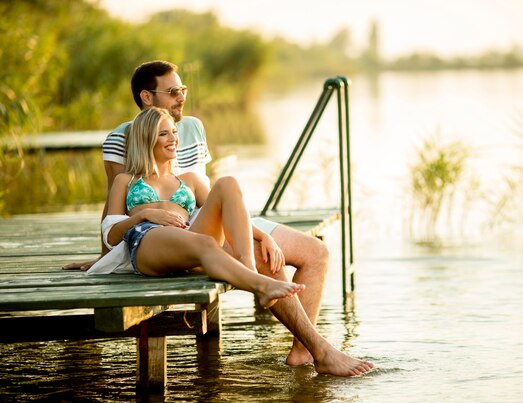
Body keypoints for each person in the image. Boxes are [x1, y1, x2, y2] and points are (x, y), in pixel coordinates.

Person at [62, 60, 332, 367]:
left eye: (183, 89)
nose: (181, 97)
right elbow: (115, 204)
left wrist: (256, 231)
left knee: (317, 252)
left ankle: (303, 350)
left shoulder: (192, 127)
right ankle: (315, 347)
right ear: (146, 97)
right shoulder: (124, 138)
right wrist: (107, 255)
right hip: (168, 235)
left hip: (217, 218)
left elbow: (211, 193)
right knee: (265, 260)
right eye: (173, 91)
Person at [94, 106, 373, 376]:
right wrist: (146, 215)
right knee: (206, 246)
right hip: (148, 241)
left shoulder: (188, 179)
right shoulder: (126, 180)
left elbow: (231, 208)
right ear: (146, 139)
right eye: (164, 134)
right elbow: (110, 232)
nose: (173, 139)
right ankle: (263, 287)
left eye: (173, 132)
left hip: (190, 240)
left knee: (227, 183)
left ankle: (249, 268)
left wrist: (263, 236)